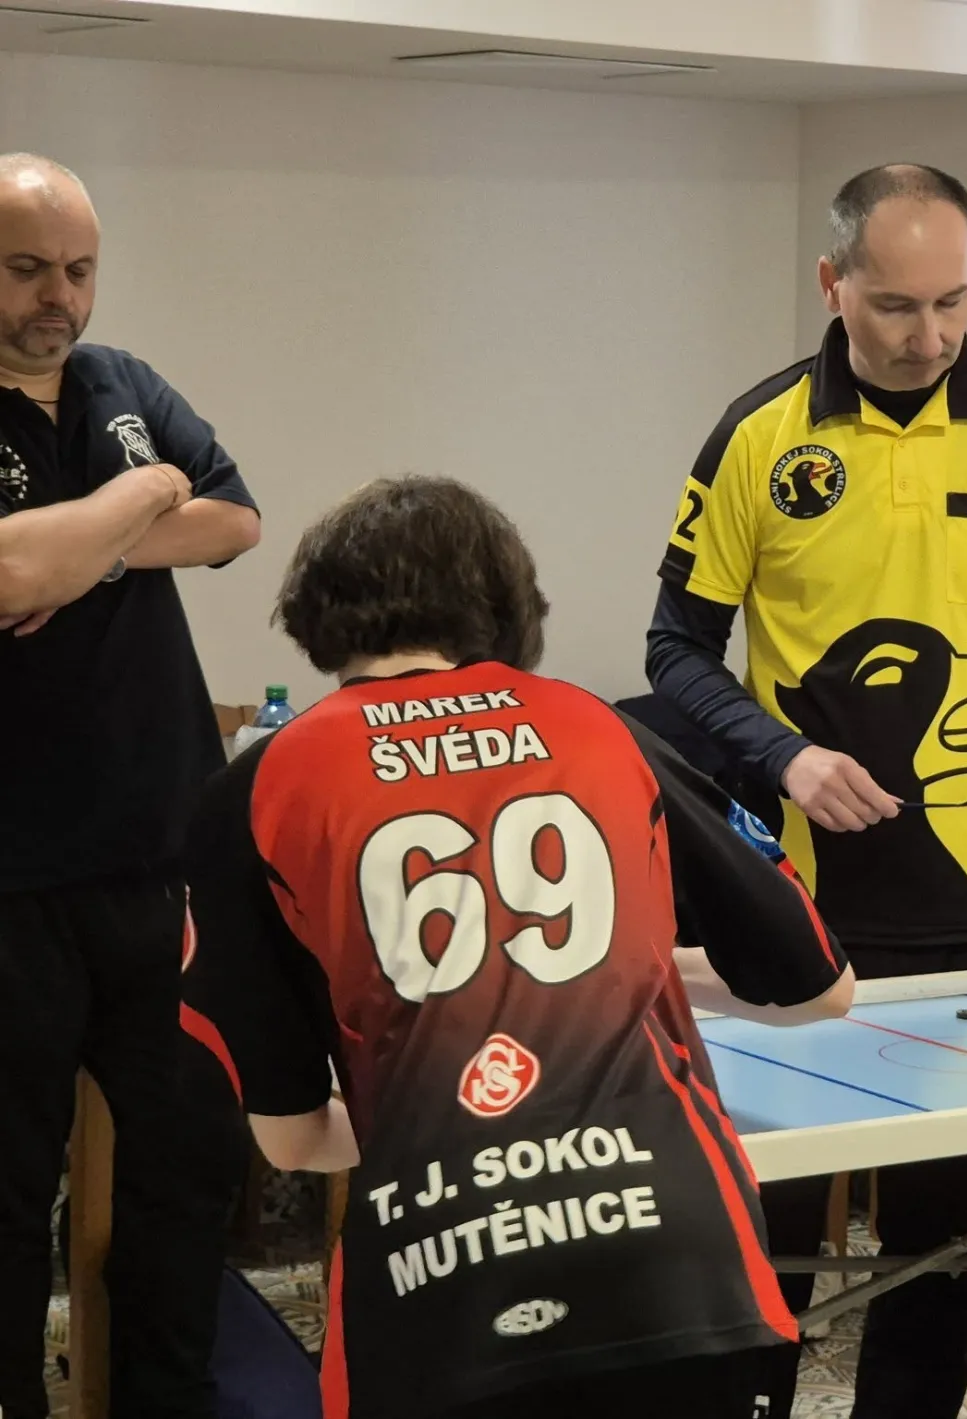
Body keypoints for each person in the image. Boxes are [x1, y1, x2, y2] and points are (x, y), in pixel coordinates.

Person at [178, 476, 856, 1419]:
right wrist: (631, 967)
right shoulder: (598, 725)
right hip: (678, 1258)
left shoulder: (256, 786)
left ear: (314, 613)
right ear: (503, 603)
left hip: (437, 1283)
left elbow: (291, 1137)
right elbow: (821, 986)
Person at [646, 163, 967, 1417]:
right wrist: (781, 755)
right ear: (833, 283)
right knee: (768, 1255)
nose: (930, 335)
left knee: (945, 1258)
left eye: (953, 301)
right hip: (797, 910)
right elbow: (675, 650)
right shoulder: (760, 436)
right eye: (898, 306)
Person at [0, 153, 260, 1419]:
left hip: (164, 862)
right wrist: (150, 492)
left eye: (79, 269)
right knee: (7, 1186)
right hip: (12, 881)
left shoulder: (124, 383)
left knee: (187, 1164)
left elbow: (234, 520)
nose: (59, 296)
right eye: (26, 269)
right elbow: (6, 577)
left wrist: (88, 542)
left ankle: (166, 1398)